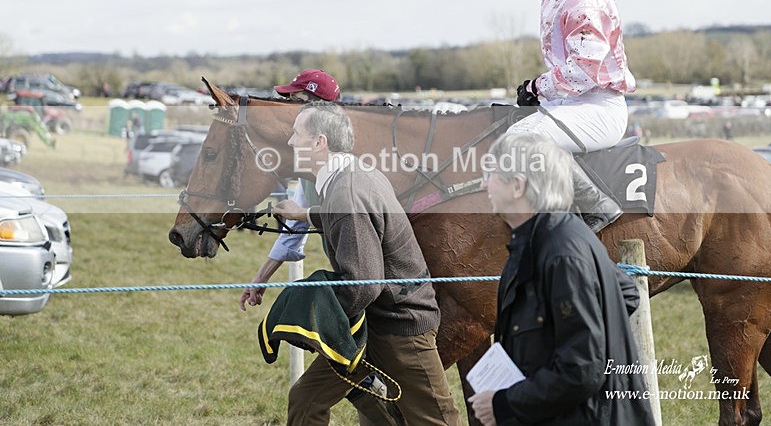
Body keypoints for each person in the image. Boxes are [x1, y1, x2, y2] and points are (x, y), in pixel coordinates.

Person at [273, 102, 462, 425]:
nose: (290, 142)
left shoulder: (346, 192)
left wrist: (317, 319)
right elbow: (354, 218)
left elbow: (363, 284)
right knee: (306, 399)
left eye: (296, 134)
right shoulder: (355, 174)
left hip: (400, 327)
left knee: (435, 420)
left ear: (320, 142)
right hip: (370, 322)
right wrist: (303, 214)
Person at [468, 133, 655, 426]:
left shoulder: (561, 252)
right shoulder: (547, 238)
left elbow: (581, 369)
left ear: (517, 186)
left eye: (490, 175)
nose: (482, 184)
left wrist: (504, 403)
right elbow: (624, 294)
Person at [502, 0, 633, 232]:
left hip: (598, 109)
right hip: (571, 104)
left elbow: (583, 71)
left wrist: (536, 87)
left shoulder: (585, 0)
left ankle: (597, 207)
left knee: (520, 140)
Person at [239, 69, 340, 311]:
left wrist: (300, 214)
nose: (287, 108)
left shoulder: (344, 163)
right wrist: (261, 278)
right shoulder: (310, 166)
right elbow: (294, 229)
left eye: (294, 101)